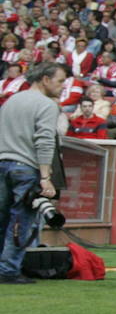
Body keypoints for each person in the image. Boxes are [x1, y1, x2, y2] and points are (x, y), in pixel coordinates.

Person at [0, 61, 65, 284]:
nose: (62, 86)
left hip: (2, 163)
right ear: (45, 79)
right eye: (60, 81)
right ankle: (8, 270)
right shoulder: (47, 106)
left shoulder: (12, 100)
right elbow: (45, 141)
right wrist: (46, 177)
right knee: (21, 221)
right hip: (25, 167)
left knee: (2, 218)